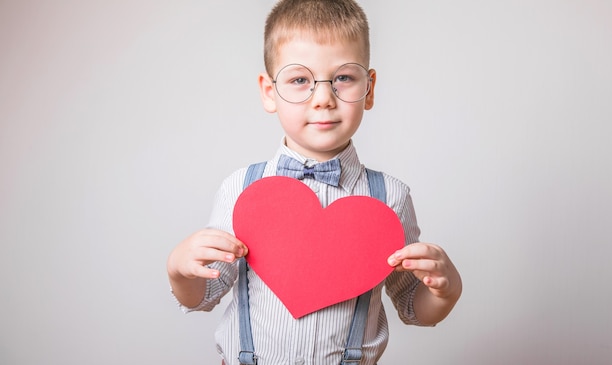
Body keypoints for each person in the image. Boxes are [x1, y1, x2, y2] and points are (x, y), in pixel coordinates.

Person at [167, 0, 462, 364]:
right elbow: (205, 293)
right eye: (300, 80)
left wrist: (444, 293)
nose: (323, 99)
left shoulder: (391, 198)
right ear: (269, 92)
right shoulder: (240, 188)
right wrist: (179, 270)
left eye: (343, 78)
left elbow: (411, 305)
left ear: (369, 89)